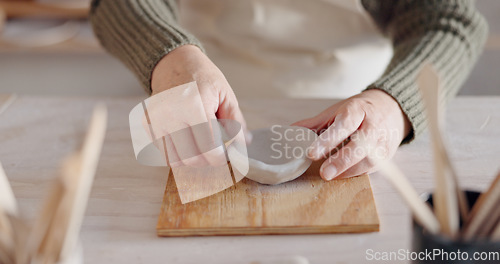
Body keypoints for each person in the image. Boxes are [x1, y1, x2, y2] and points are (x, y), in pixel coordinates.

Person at [90, 0, 487, 181]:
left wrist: (393, 104)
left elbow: (451, 21)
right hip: (194, 101)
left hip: (349, 113)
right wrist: (171, 59)